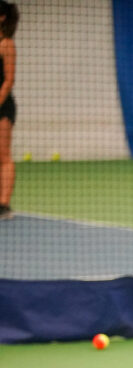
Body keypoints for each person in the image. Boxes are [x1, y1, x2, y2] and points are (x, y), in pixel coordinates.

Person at [0, 2, 18, 221]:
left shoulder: (7, 44)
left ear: (2, 18)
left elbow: (8, 80)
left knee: (2, 155)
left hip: (3, 107)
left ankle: (3, 205)